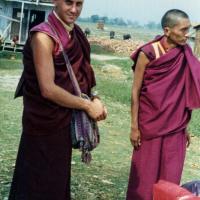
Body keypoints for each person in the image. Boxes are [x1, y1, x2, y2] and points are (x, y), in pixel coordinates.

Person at [8, 0, 107, 199]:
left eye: (79, 4)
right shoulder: (43, 36)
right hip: (42, 122)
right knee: (35, 182)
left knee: (57, 180)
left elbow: (82, 78)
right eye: (69, 2)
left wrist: (94, 98)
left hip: (64, 121)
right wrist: (87, 105)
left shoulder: (76, 34)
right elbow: (48, 89)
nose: (74, 9)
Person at [126, 9, 200, 200]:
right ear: (167, 31)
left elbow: (183, 93)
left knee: (170, 178)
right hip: (148, 125)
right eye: (183, 30)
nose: (187, 34)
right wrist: (134, 126)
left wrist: (184, 126)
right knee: (144, 177)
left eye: (188, 30)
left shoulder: (185, 53)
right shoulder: (148, 53)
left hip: (175, 127)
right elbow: (136, 91)